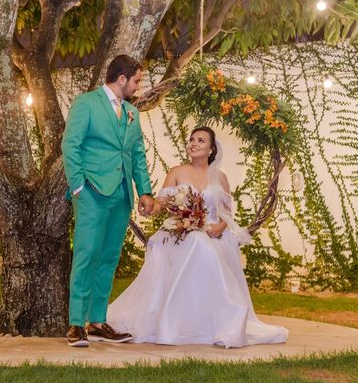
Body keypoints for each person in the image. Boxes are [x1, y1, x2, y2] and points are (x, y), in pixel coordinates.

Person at [107, 127, 289, 347]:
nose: (193, 143)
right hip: (180, 231)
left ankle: (225, 321)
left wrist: (220, 227)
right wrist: (149, 207)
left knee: (205, 243)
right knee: (195, 241)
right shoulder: (176, 171)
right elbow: (162, 204)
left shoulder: (220, 177)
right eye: (191, 139)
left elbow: (227, 213)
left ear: (211, 149)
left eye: (201, 140)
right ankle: (188, 321)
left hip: (213, 232)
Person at [61, 54, 155, 348]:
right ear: (122, 78)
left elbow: (136, 154)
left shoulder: (131, 112)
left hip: (121, 194)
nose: (138, 86)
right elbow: (70, 145)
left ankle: (97, 321)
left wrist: (145, 191)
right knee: (87, 256)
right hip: (91, 192)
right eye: (136, 80)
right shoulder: (86, 103)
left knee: (108, 258)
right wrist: (78, 188)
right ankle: (76, 324)